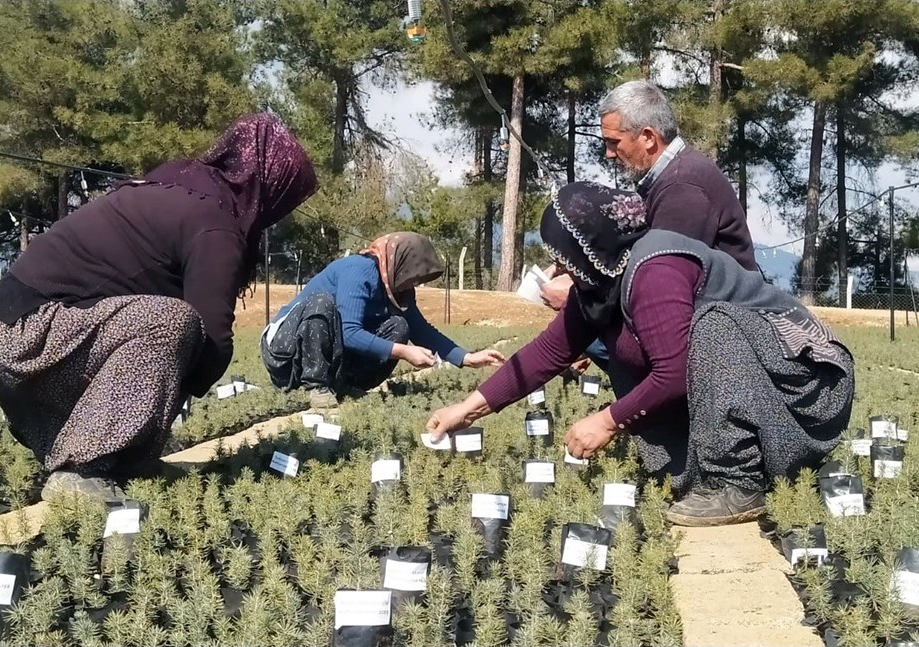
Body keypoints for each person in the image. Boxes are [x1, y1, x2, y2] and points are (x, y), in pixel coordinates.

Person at [427, 182, 854, 527]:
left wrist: (607, 420)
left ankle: (739, 484)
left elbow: (671, 373)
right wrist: (468, 409)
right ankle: (714, 469)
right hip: (764, 385)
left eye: (562, 257)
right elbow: (547, 352)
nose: (558, 268)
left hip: (806, 387)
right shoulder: (604, 281)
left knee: (711, 327)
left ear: (588, 248)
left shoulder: (656, 269)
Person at [0, 113, 319, 503]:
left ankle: (122, 462)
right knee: (174, 324)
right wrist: (170, 392)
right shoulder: (215, 223)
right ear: (270, 186)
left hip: (0, 329)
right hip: (25, 337)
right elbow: (213, 337)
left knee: (166, 330)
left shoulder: (176, 184)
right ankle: (84, 472)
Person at [540, 80, 758, 375]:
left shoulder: (683, 186)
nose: (609, 153)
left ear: (647, 138)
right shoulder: (671, 177)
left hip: (725, 334)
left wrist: (578, 294)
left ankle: (642, 415)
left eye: (613, 142)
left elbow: (657, 281)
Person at [261, 232, 505, 408]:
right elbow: (349, 332)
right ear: (400, 265)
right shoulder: (359, 270)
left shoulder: (397, 289)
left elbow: (421, 330)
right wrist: (403, 352)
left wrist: (467, 358)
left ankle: (346, 385)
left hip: (328, 355)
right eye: (414, 277)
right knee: (322, 302)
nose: (415, 284)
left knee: (399, 325)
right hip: (287, 354)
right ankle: (314, 386)